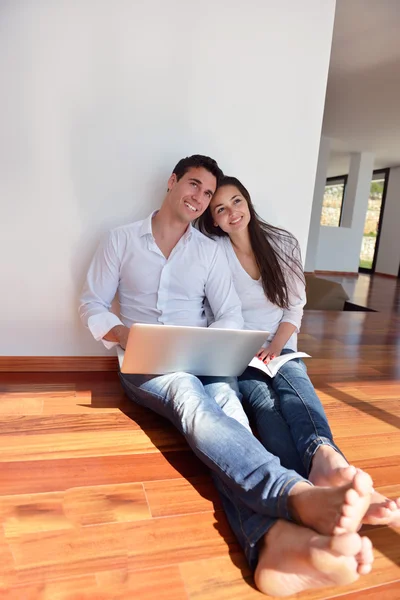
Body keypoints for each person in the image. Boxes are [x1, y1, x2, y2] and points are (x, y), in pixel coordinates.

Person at [79, 156, 374, 597]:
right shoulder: (120, 240)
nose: (199, 198)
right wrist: (124, 333)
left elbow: (229, 314)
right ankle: (293, 492)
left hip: (204, 357)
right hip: (147, 365)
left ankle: (273, 545)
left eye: (207, 193)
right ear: (172, 181)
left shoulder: (209, 250)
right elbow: (91, 304)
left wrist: (209, 345)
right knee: (191, 402)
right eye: (193, 186)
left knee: (232, 415)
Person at [197, 174, 400, 531]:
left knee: (295, 389)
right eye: (221, 209)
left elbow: (294, 308)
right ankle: (319, 492)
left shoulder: (281, 242)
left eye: (237, 202)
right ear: (213, 219)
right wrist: (250, 351)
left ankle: (327, 459)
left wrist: (275, 348)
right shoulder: (214, 253)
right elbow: (217, 312)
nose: (232, 213)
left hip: (281, 345)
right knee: (265, 408)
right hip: (241, 351)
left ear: (248, 201)